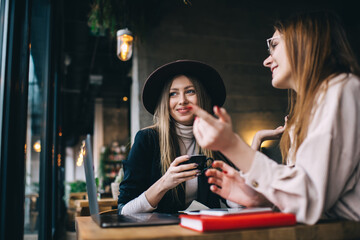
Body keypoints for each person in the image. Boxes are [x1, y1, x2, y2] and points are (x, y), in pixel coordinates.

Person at [189, 11, 360, 224]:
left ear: (304, 40)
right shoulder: (308, 111)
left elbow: (309, 199)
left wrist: (232, 145)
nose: (266, 61)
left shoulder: (342, 90)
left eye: (274, 45)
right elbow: (305, 198)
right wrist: (261, 198)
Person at [118, 60, 231, 214]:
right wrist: (165, 182)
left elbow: (238, 204)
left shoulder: (215, 141)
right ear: (165, 101)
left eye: (190, 91)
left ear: (203, 97)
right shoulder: (147, 139)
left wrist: (254, 145)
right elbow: (124, 211)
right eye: (173, 94)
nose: (182, 100)